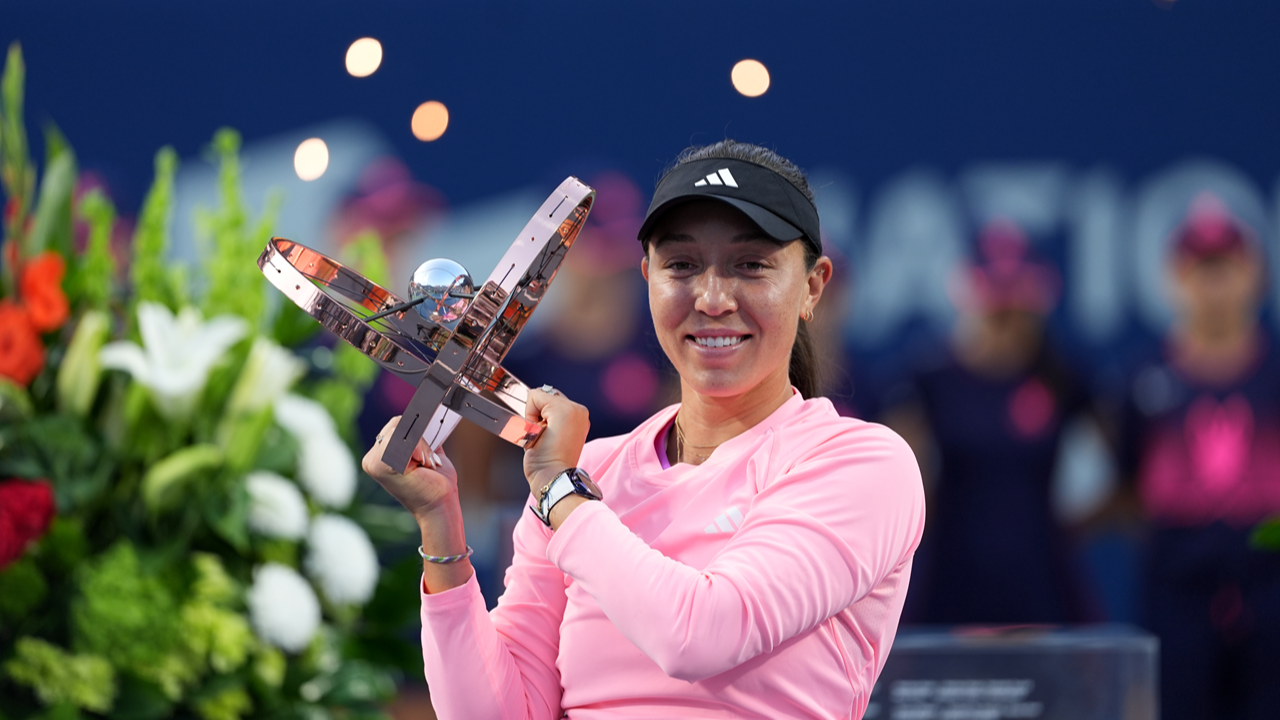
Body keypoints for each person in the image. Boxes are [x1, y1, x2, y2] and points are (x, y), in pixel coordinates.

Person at [363, 140, 925, 719]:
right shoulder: (589, 474)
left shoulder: (864, 463)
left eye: (751, 265)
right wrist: (442, 528)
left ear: (813, 285)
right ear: (648, 278)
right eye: (681, 265)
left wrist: (560, 491)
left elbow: (701, 635)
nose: (711, 298)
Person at [1113, 196, 1280, 720]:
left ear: (1254, 274)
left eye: (1226, 269)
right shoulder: (1143, 382)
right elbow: (1125, 485)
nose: (1215, 286)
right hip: (1178, 589)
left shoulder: (1275, 374)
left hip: (1270, 582)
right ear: (1174, 279)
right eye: (1200, 270)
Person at [881, 220, 1097, 625]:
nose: (1007, 319)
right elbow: (900, 492)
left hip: (1042, 581)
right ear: (969, 299)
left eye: (1017, 306)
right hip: (949, 580)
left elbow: (1118, 479)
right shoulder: (927, 381)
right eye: (997, 307)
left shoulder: (1065, 381)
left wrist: (1074, 522)